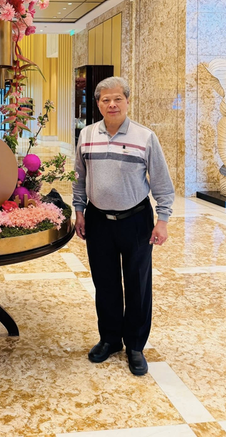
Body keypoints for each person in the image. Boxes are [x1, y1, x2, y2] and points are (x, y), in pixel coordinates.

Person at [72, 76, 174, 376]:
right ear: (98, 104)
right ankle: (110, 339)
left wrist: (163, 220)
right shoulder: (87, 135)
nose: (112, 104)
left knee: (138, 284)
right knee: (105, 283)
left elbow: (162, 183)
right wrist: (79, 211)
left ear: (127, 101)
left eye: (118, 98)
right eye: (106, 99)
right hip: (98, 220)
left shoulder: (145, 137)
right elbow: (79, 177)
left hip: (136, 220)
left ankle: (135, 346)